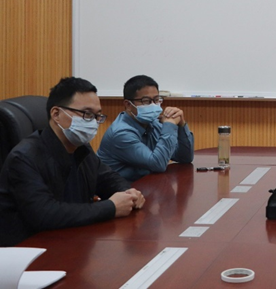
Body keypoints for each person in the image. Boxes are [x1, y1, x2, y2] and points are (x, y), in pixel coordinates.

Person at [0, 77, 145, 247]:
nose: (93, 122)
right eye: (87, 114)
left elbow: (108, 178)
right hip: (31, 249)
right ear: (56, 114)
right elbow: (45, 214)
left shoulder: (81, 148)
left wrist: (128, 193)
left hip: (72, 239)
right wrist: (111, 207)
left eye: (97, 116)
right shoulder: (24, 157)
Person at [98, 75, 194, 182]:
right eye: (146, 101)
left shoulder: (152, 122)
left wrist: (181, 125)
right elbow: (158, 164)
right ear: (128, 104)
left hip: (148, 186)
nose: (153, 105)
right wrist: (169, 126)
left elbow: (185, 158)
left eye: (156, 100)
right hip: (121, 190)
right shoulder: (121, 133)